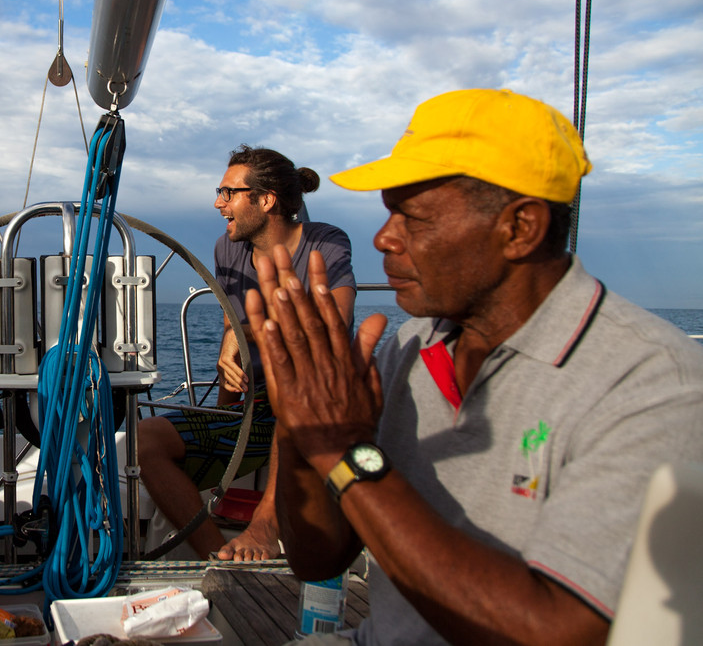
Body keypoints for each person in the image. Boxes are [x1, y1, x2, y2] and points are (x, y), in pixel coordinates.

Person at [245, 88, 703, 645]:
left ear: (520, 229)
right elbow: (318, 560)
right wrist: (302, 423)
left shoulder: (651, 383)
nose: (383, 238)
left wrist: (344, 451)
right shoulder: (409, 348)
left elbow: (563, 631)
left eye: (411, 217)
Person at [137, 146, 356, 560]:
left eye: (228, 192)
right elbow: (231, 326)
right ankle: (218, 560)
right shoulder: (228, 248)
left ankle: (265, 527)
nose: (218, 202)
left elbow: (336, 329)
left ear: (266, 199)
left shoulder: (325, 243)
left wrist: (252, 329)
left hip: (318, 410)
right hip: (255, 413)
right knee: (142, 442)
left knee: (293, 394)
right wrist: (227, 408)